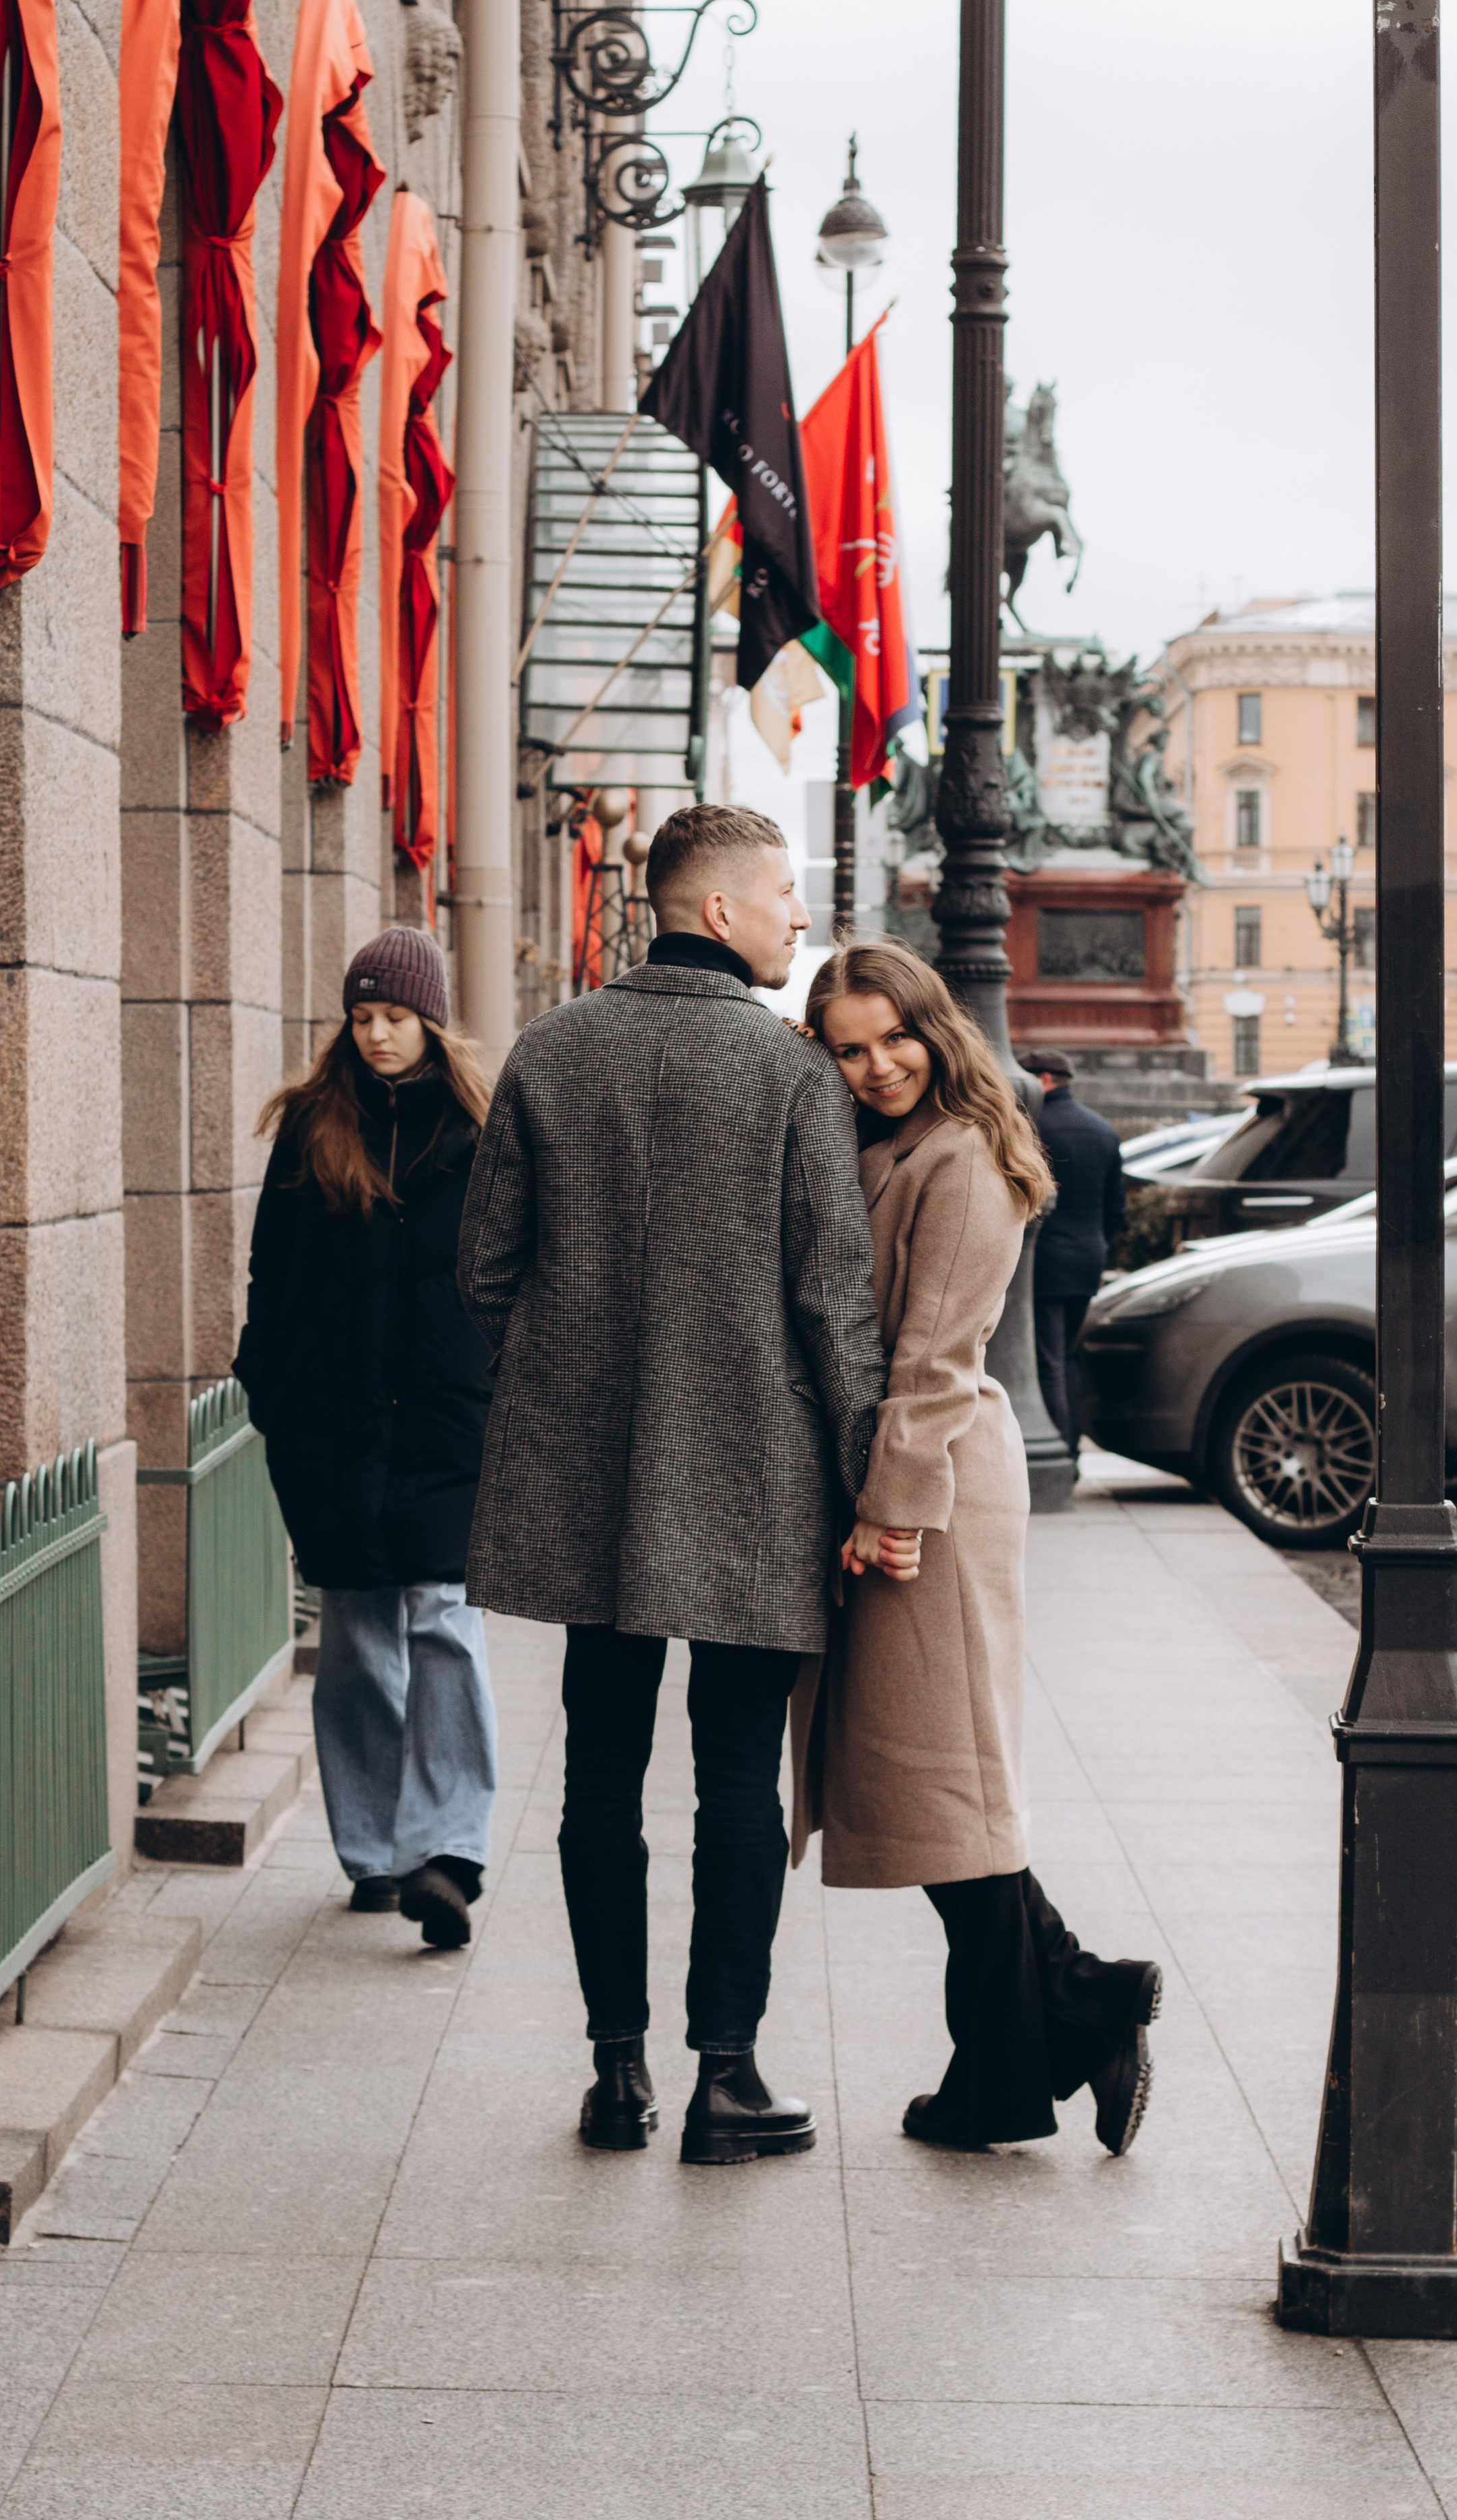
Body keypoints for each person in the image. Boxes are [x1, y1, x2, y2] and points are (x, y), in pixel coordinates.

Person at [458, 805, 890, 2165]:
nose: (798, 921)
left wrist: (568, 1375)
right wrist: (867, 1482)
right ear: (713, 910)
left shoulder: (548, 1052)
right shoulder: (787, 1078)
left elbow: (480, 1276)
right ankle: (726, 2079)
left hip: (586, 1478)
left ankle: (613, 2077)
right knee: (734, 1792)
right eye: (782, 897)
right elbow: (832, 1303)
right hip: (753, 1483)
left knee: (596, 1780)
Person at [795, 944, 1162, 2154]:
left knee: (945, 1785)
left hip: (933, 1490)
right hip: (907, 1481)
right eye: (849, 1046)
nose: (877, 1063)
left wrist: (891, 1510)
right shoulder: (885, 1142)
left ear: (935, 1027)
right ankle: (1060, 2014)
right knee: (928, 1784)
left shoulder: (963, 1158)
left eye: (894, 1036)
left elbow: (938, 1357)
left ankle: (1026, 2054)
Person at [233, 926, 499, 1952]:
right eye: (363, 1016)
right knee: (354, 1632)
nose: (378, 1034)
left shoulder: (481, 1126)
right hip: (332, 1421)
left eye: (395, 1016)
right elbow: (274, 1270)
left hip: (444, 1415)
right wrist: (269, 1382)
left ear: (430, 1020)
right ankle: (375, 1854)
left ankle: (447, 1850)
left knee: (441, 1615)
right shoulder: (314, 1126)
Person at [1017, 1047, 1126, 1457]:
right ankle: (1071, 1448)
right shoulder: (1102, 1129)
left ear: (1043, 1081)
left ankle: (1061, 1453)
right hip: (1088, 1258)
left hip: (1043, 1261)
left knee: (1047, 1361)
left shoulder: (1033, 1126)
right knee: (1066, 1356)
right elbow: (1116, 1208)